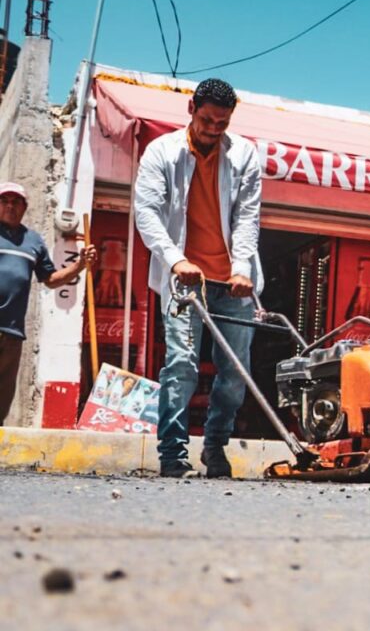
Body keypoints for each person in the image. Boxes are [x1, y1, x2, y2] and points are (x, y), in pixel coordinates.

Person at [133, 78, 263, 479]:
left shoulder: (244, 154)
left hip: (233, 283)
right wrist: (175, 259)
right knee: (181, 365)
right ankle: (172, 452)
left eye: (221, 123)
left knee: (235, 372)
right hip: (184, 280)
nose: (212, 129)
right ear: (191, 109)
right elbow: (147, 212)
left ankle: (215, 446)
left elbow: (247, 218)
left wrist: (241, 268)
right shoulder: (162, 152)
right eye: (206, 120)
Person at [0, 182, 97, 424]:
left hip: (12, 335)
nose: (10, 206)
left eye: (16, 202)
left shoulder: (32, 241)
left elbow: (51, 279)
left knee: (2, 399)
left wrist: (80, 265)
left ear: (25, 207)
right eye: (4, 201)